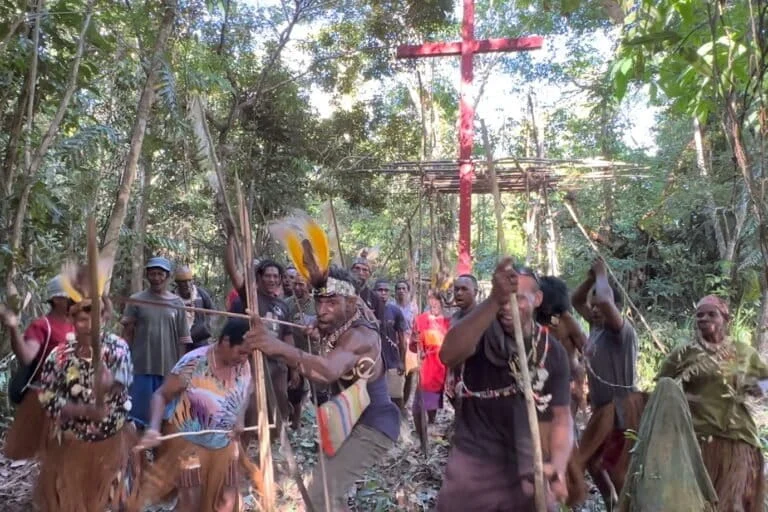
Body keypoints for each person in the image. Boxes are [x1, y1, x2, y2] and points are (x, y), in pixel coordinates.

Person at [251, 220, 399, 509]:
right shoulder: (342, 326)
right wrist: (319, 332)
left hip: (373, 424)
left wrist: (274, 346)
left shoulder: (360, 335)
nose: (322, 310)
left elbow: (327, 371)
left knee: (323, 497)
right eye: (319, 302)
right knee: (325, 496)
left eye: (332, 303)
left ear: (352, 303)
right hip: (344, 420)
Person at [437, 260, 572, 511]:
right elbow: (448, 354)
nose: (509, 308)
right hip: (472, 467)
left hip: (526, 470)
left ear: (538, 298)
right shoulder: (479, 331)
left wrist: (559, 467)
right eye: (504, 300)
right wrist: (493, 301)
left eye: (519, 299)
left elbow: (562, 417)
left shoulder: (552, 351)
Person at [129, 318, 261, 512]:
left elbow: (246, 391)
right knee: (190, 504)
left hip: (225, 444)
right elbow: (161, 395)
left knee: (227, 502)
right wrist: (154, 428)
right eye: (240, 352)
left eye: (247, 354)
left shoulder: (244, 366)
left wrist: (240, 417)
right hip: (189, 445)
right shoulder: (194, 362)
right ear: (225, 341)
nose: (243, 358)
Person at [35, 264, 136, 511]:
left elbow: (123, 380)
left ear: (103, 317)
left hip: (112, 442)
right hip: (73, 445)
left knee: (119, 502)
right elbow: (47, 396)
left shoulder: (118, 348)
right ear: (71, 319)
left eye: (96, 317)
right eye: (82, 318)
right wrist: (79, 410)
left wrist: (110, 384)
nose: (90, 325)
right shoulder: (58, 357)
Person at [656, 295, 768, 511]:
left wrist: (758, 388)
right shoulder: (683, 353)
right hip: (696, 442)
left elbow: (767, 383)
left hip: (738, 440)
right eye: (699, 315)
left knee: (733, 504)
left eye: (711, 314)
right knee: (698, 504)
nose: (704, 318)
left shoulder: (744, 352)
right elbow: (662, 389)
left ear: (726, 320)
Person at [572, 258, 645, 508]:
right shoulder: (596, 328)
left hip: (622, 409)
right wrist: (591, 279)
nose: (594, 310)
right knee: (592, 463)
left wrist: (602, 273)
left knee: (616, 468)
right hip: (602, 410)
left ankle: (628, 506)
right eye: (593, 307)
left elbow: (604, 300)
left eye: (600, 307)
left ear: (615, 308)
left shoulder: (621, 332)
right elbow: (576, 301)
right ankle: (611, 502)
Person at [224, 235, 296, 431]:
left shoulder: (283, 305)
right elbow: (233, 272)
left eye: (275, 276)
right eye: (267, 276)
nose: (271, 280)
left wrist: (294, 367)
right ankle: (247, 441)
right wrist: (231, 240)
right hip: (255, 360)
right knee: (252, 402)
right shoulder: (251, 298)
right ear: (260, 278)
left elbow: (287, 335)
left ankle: (275, 444)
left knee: (280, 402)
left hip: (278, 363)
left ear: (280, 280)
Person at [0, 277, 75, 460]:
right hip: (45, 398)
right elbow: (26, 356)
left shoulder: (76, 324)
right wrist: (14, 328)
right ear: (56, 300)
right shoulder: (42, 326)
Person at [121, 256, 192, 428]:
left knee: (166, 417)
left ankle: (160, 450)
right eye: (152, 274)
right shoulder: (136, 299)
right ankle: (140, 452)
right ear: (147, 276)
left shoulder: (177, 303)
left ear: (167, 277)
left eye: (160, 274)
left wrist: (181, 368)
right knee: (138, 416)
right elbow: (127, 333)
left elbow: (183, 339)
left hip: (168, 368)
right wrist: (123, 360)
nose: (156, 278)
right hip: (141, 367)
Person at [537, 275, 587, 417]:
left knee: (565, 427)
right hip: (541, 384)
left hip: (568, 381)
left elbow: (587, 350)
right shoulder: (532, 321)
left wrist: (579, 378)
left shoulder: (566, 320)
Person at [411, 289, 451, 434]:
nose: (434, 302)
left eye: (437, 299)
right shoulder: (420, 320)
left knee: (443, 394)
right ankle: (423, 428)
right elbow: (414, 347)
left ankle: (434, 422)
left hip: (446, 362)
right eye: (431, 299)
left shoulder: (449, 321)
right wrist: (415, 342)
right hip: (429, 364)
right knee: (425, 396)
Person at [286, 273, 316, 429]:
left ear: (308, 285)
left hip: (313, 354)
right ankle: (295, 426)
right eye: (295, 284)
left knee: (319, 394)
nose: (297, 287)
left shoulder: (316, 304)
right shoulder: (286, 304)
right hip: (293, 354)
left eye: (301, 284)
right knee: (294, 392)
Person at [444, 274, 478, 407]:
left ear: (475, 292)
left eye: (464, 289)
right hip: (458, 373)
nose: (459, 293)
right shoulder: (454, 318)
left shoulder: (482, 316)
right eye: (456, 289)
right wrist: (450, 374)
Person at [374, 279, 408, 409]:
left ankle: (400, 424)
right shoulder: (367, 311)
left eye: (386, 290)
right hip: (373, 363)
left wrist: (402, 362)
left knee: (396, 398)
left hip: (393, 361)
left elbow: (402, 340)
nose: (383, 293)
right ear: (374, 292)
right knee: (376, 400)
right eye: (380, 290)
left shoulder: (395, 311)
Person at [174, 265, 216, 351]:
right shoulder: (172, 298)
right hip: (180, 342)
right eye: (183, 282)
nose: (187, 284)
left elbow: (213, 313)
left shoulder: (200, 294)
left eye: (189, 281)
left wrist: (207, 327)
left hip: (200, 341)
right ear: (177, 283)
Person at [394, 279, 419, 408]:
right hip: (395, 344)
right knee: (395, 374)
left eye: (404, 288)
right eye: (399, 288)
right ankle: (395, 403)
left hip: (410, 346)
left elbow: (416, 327)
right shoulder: (391, 306)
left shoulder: (413, 308)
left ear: (408, 291)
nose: (401, 291)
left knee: (409, 375)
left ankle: (404, 404)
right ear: (395, 291)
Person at [351, 252, 384, 321]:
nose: (360, 272)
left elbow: (381, 325)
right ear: (351, 270)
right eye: (357, 268)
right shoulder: (342, 292)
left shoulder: (374, 298)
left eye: (365, 270)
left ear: (369, 274)